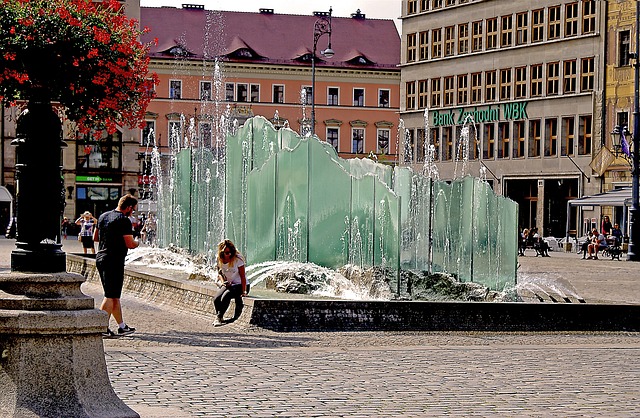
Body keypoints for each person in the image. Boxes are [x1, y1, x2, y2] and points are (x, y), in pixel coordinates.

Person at [93, 194, 140, 338]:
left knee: (114, 295)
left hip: (101, 257)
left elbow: (95, 237)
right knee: (110, 295)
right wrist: (137, 241)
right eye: (133, 209)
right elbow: (130, 244)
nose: (132, 212)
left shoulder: (103, 216)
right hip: (114, 260)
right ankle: (100, 327)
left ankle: (122, 326)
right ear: (129, 207)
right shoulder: (123, 220)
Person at [212, 239, 249, 326]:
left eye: (230, 252)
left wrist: (244, 291)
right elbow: (220, 273)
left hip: (241, 285)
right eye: (227, 253)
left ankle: (218, 318)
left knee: (226, 295)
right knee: (216, 298)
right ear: (222, 253)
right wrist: (223, 282)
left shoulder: (237, 259)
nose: (229, 254)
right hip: (229, 284)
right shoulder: (219, 259)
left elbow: (243, 277)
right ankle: (220, 317)